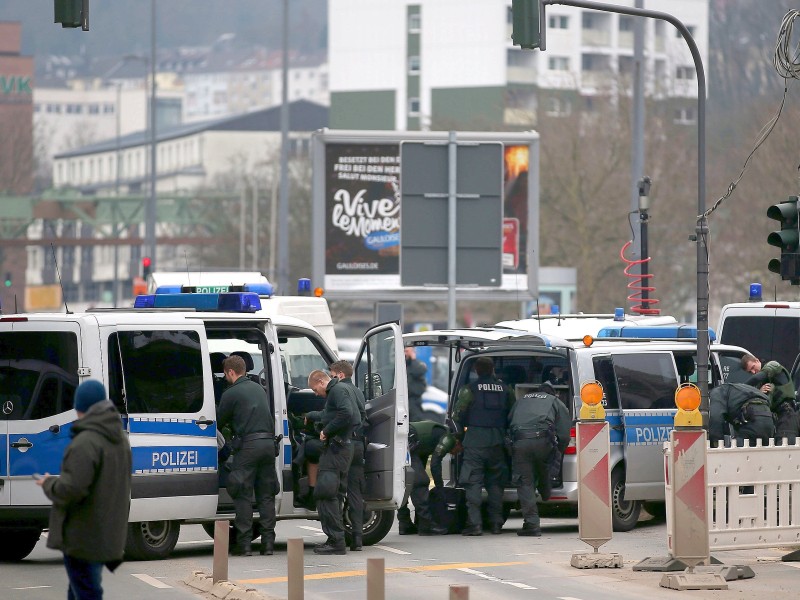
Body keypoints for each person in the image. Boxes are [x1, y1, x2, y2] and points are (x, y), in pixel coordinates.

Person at [37, 379, 132, 600]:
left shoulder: (86, 441)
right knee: (80, 589)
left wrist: (49, 484)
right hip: (104, 531)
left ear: (80, 407)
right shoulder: (119, 439)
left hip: (83, 535)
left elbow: (72, 488)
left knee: (87, 591)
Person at [217, 354, 277, 557]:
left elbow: (217, 421)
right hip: (268, 445)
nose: (225, 378)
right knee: (266, 495)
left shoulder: (230, 393)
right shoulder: (259, 388)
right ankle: (268, 544)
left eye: (226, 375)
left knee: (242, 493)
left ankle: (244, 544)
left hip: (248, 447)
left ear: (231, 372)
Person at [453, 356, 514, 536]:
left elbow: (457, 416)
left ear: (476, 370)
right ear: (493, 369)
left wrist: (459, 437)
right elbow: (512, 414)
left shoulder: (469, 390)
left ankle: (475, 524)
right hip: (498, 441)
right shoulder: (506, 389)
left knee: (473, 483)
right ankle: (496, 524)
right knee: (496, 484)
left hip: (475, 442)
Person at [508, 382, 570, 536]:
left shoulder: (521, 400)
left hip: (520, 443)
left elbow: (508, 422)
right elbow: (564, 434)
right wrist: (559, 452)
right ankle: (546, 493)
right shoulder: (555, 401)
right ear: (552, 393)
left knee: (525, 482)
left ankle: (532, 524)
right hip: (543, 442)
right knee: (544, 467)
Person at [306, 369, 357, 555]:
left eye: (314, 389)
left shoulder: (336, 391)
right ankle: (335, 539)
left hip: (337, 448)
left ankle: (336, 540)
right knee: (333, 494)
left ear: (321, 382)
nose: (315, 393)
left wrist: (326, 431)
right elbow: (333, 414)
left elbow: (346, 413)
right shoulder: (342, 389)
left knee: (326, 493)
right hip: (342, 448)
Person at [328, 359, 368, 551]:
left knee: (338, 491)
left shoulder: (340, 391)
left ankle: (339, 537)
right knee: (355, 493)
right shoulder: (358, 391)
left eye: (332, 374)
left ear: (340, 375)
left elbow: (343, 415)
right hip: (359, 444)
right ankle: (358, 538)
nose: (330, 378)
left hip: (345, 444)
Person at [397, 420, 449, 536]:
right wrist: (440, 488)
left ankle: (405, 523)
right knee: (420, 481)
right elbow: (435, 464)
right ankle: (427, 525)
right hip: (408, 439)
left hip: (405, 439)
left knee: (405, 482)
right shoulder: (448, 438)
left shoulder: (430, 440)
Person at [742, 353, 800, 442]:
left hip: (787, 414)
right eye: (750, 371)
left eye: (753, 367)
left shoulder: (773, 365)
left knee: (784, 445)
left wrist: (740, 388)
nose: (753, 372)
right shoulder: (761, 384)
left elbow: (757, 378)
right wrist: (759, 392)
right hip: (777, 417)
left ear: (757, 360)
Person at [709, 382, 776, 446]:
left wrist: (716, 444)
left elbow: (716, 418)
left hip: (752, 420)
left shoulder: (716, 392)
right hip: (769, 420)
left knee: (734, 454)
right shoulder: (738, 389)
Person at [405, 346, 428, 422]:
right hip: (404, 399)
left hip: (414, 400)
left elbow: (420, 370)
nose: (405, 354)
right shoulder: (404, 365)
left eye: (407, 351)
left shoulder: (417, 365)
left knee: (416, 420)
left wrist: (413, 359)